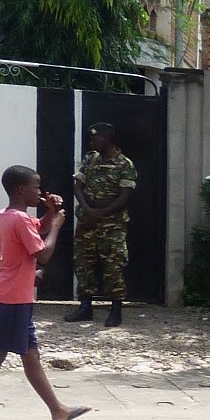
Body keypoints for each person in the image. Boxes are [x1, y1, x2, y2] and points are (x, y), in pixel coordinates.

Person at [0, 165, 91, 420]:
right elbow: (41, 254)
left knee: (31, 356)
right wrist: (56, 226)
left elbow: (35, 227)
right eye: (36, 188)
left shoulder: (9, 215)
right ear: (21, 190)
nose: (40, 192)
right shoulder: (18, 219)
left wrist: (50, 213)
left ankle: (58, 410)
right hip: (10, 298)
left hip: (15, 296)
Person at [69, 122, 138, 327]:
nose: (92, 142)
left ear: (108, 139)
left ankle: (115, 310)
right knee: (83, 263)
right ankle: (85, 307)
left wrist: (100, 213)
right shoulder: (90, 159)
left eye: (96, 138)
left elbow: (124, 197)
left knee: (113, 266)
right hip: (86, 221)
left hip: (112, 225)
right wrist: (88, 210)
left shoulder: (125, 164)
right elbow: (78, 186)